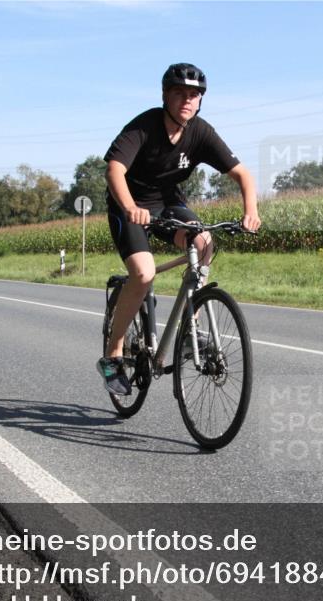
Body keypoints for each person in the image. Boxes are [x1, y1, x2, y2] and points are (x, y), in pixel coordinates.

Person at [98, 63, 261, 395]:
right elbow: (114, 169)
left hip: (168, 201)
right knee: (143, 274)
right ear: (165, 96)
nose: (187, 100)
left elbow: (243, 175)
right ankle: (113, 353)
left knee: (203, 243)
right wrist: (130, 207)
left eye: (194, 95)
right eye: (179, 94)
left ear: (200, 100)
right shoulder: (144, 127)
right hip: (129, 206)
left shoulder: (200, 132)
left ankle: (191, 327)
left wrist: (251, 212)